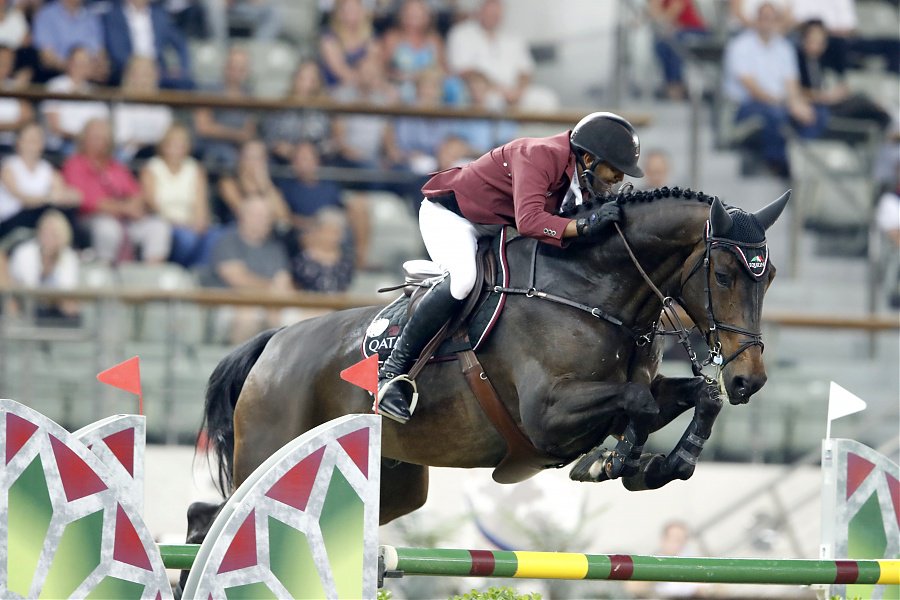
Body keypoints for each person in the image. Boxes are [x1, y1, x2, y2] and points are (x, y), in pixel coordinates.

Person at [376, 111, 644, 423]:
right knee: (464, 281)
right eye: (616, 169)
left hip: (496, 228)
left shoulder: (579, 178)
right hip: (452, 218)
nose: (619, 179)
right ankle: (391, 374)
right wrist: (586, 225)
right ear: (588, 157)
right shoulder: (540, 156)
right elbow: (531, 221)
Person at [722, 1, 826, 177]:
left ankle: (799, 162)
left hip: (780, 104)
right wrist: (786, 103)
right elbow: (751, 87)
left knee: (818, 114)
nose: (767, 22)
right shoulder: (740, 45)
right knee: (775, 114)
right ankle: (777, 164)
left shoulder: (784, 47)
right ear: (756, 19)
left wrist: (797, 104)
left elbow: (791, 83)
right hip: (747, 105)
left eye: (771, 18)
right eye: (763, 18)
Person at [63, 118, 171, 264]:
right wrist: (123, 208)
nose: (100, 142)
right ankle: (106, 276)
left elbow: (137, 193)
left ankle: (150, 278)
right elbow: (87, 201)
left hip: (125, 219)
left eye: (104, 138)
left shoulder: (116, 166)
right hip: (90, 220)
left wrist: (133, 206)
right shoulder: (74, 164)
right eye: (95, 137)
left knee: (158, 227)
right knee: (108, 229)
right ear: (84, 139)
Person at [202, 194, 292, 343]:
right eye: (257, 215)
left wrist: (275, 293)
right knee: (248, 317)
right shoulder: (227, 241)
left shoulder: (275, 249)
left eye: (266, 216)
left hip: (269, 304)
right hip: (231, 302)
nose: (263, 221)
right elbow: (237, 279)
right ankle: (240, 365)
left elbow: (284, 282)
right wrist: (270, 287)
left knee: (306, 318)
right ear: (242, 216)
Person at [445, 0, 556, 111]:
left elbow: (526, 71)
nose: (494, 15)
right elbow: (463, 70)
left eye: (497, 11)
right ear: (480, 10)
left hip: (515, 92)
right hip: (482, 93)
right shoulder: (461, 34)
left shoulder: (513, 37)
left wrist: (518, 91)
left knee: (546, 99)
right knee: (493, 103)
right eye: (490, 11)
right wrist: (497, 89)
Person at [794, 19, 891, 141]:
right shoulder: (795, 60)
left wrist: (839, 92)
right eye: (813, 40)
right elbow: (794, 91)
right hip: (815, 105)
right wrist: (822, 96)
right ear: (804, 39)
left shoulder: (825, 60)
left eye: (821, 41)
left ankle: (885, 139)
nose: (817, 45)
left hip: (833, 102)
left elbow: (841, 83)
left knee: (867, 103)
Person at [141, 124, 214, 267]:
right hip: (165, 223)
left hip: (191, 223)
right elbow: (152, 205)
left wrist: (198, 223)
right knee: (186, 239)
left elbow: (201, 205)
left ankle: (198, 276)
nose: (177, 149)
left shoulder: (195, 169)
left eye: (181, 145)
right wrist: (178, 223)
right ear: (164, 146)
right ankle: (179, 271)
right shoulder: (151, 168)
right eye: (173, 144)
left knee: (213, 237)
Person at [0, 122, 82, 243]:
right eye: (30, 139)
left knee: (65, 211)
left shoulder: (47, 169)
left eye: (37, 139)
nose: (34, 143)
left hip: (39, 216)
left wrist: (72, 196)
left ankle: (75, 248)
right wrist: (48, 198)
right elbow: (22, 199)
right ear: (19, 142)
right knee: (49, 210)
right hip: (11, 220)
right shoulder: (9, 167)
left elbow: (62, 194)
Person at [7, 209, 81, 324]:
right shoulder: (24, 252)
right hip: (27, 305)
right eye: (46, 231)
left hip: (56, 307)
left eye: (54, 233)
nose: (49, 236)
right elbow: (22, 286)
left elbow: (67, 290)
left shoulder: (69, 257)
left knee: (72, 312)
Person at [101, 0, 193, 89]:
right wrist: (140, 68)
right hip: (125, 69)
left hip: (158, 70)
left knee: (187, 83)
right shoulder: (113, 15)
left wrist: (182, 68)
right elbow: (116, 50)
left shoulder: (160, 15)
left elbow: (180, 43)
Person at [193, 46, 257, 171]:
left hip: (239, 149)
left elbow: (249, 131)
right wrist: (236, 134)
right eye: (233, 66)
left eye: (241, 68)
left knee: (256, 155)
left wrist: (241, 137)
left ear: (247, 71)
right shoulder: (208, 90)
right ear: (225, 66)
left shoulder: (249, 94)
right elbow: (203, 127)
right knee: (227, 157)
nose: (236, 71)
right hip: (210, 146)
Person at [260, 60, 335, 165]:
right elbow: (268, 137)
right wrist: (279, 147)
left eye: (311, 79)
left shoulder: (325, 109)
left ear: (318, 82)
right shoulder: (280, 106)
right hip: (282, 161)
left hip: (316, 164)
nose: (305, 83)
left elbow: (330, 142)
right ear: (294, 79)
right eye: (302, 78)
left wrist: (312, 154)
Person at [42, 46, 110, 155]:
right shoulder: (55, 86)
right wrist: (82, 139)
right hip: (64, 143)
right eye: (77, 63)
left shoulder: (95, 92)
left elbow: (103, 124)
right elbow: (54, 126)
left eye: (85, 63)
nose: (80, 67)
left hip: (91, 144)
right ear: (69, 63)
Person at [112, 56, 175, 162]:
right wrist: (152, 142)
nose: (143, 80)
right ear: (129, 76)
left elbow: (167, 137)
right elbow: (123, 140)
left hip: (159, 157)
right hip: (129, 157)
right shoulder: (122, 106)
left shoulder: (162, 107)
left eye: (147, 74)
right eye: (138, 74)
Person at [217, 139, 291, 227]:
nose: (254, 163)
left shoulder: (270, 185)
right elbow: (245, 214)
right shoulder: (228, 182)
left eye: (259, 158)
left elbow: (285, 218)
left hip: (266, 234)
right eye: (249, 157)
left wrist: (265, 184)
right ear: (240, 158)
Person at [31, 0, 107, 83]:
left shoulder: (91, 17)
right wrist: (76, 68)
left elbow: (100, 54)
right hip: (57, 76)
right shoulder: (46, 15)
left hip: (90, 78)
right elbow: (47, 57)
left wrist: (97, 68)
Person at [648, 0, 709, 101]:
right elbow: (654, 16)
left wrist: (657, 13)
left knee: (675, 46)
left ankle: (676, 87)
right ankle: (671, 84)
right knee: (660, 46)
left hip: (695, 30)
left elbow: (667, 16)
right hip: (678, 32)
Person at [290, 206, 355, 293]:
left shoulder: (346, 262)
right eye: (327, 232)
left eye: (335, 232)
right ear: (318, 231)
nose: (331, 237)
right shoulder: (302, 260)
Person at [318, 0, 380, 89]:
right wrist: (360, 82)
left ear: (362, 11)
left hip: (364, 87)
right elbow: (339, 70)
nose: (350, 14)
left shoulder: (370, 36)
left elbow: (372, 64)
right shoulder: (329, 37)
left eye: (354, 9)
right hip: (335, 87)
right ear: (338, 13)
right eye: (346, 10)